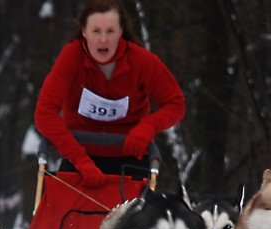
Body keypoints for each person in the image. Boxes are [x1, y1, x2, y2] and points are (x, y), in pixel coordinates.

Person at [34, 0, 185, 185]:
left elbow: (175, 103)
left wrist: (149, 125)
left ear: (121, 31)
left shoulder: (141, 62)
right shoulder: (72, 58)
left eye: (110, 31)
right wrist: (80, 160)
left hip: (131, 158)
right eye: (96, 31)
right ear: (84, 32)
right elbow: (45, 113)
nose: (103, 40)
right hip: (80, 158)